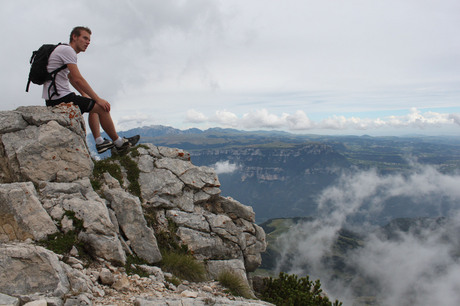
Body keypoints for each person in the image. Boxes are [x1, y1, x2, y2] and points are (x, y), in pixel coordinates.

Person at [43, 26, 139, 154]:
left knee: (92, 106)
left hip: (54, 97)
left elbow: (71, 77)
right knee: (103, 108)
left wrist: (85, 94)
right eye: (85, 38)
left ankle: (100, 142)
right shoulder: (68, 51)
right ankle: (119, 143)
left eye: (89, 40)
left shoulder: (63, 49)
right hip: (60, 98)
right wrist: (98, 99)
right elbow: (78, 79)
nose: (88, 42)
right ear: (74, 37)